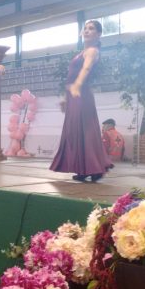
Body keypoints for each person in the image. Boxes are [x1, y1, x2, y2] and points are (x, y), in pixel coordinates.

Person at [50, 20, 112, 182]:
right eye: (85, 28)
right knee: (76, 130)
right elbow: (71, 76)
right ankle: (86, 168)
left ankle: (93, 167)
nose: (87, 31)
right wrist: (66, 97)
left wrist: (77, 85)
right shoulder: (81, 52)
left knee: (84, 129)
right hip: (74, 95)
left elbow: (86, 68)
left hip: (81, 94)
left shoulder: (92, 51)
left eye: (91, 29)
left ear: (98, 34)